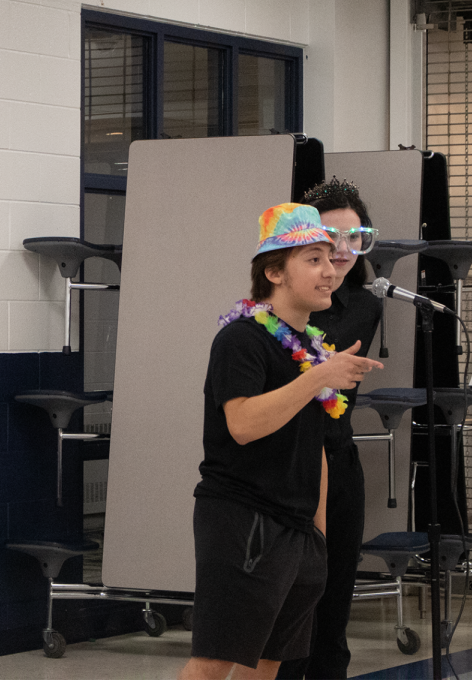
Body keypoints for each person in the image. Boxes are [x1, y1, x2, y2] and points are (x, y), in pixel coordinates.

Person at [179, 203, 384, 680]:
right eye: (313, 259)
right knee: (216, 660)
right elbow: (244, 424)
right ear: (274, 271)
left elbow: (315, 445)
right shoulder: (241, 341)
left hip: (299, 529)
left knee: (270, 660)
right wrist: (320, 377)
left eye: (330, 259)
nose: (330, 269)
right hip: (243, 519)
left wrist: (319, 535)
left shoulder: (311, 346)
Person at [277, 177, 382, 680]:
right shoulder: (279, 305)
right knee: (288, 606)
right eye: (329, 240)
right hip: (287, 464)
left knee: (335, 599)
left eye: (354, 238)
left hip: (338, 460)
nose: (342, 252)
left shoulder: (365, 304)